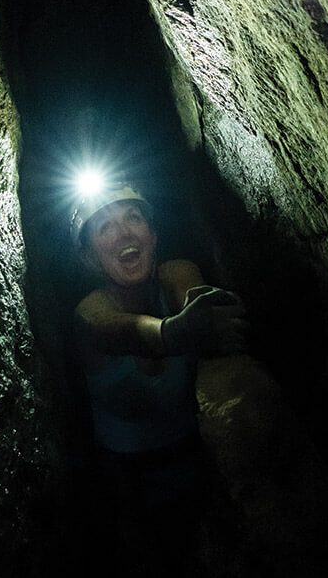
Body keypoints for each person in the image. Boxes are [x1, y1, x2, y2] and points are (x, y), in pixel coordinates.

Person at [72, 183, 247, 574]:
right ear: (89, 258)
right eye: (105, 228)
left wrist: (199, 317)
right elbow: (125, 331)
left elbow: (192, 297)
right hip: (127, 489)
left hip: (196, 464)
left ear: (153, 235)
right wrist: (176, 333)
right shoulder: (91, 311)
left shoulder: (175, 272)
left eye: (133, 217)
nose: (124, 233)